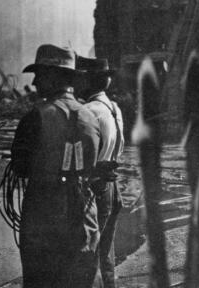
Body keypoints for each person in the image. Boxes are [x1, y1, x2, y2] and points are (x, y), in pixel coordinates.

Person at [11, 44, 101, 288]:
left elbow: (20, 168)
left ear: (54, 76)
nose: (36, 82)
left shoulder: (34, 117)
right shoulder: (91, 116)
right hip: (83, 219)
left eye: (40, 74)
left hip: (43, 222)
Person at [76, 55, 124, 288]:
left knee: (89, 256)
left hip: (95, 188)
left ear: (88, 82)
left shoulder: (87, 111)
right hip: (113, 189)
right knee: (106, 255)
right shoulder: (114, 108)